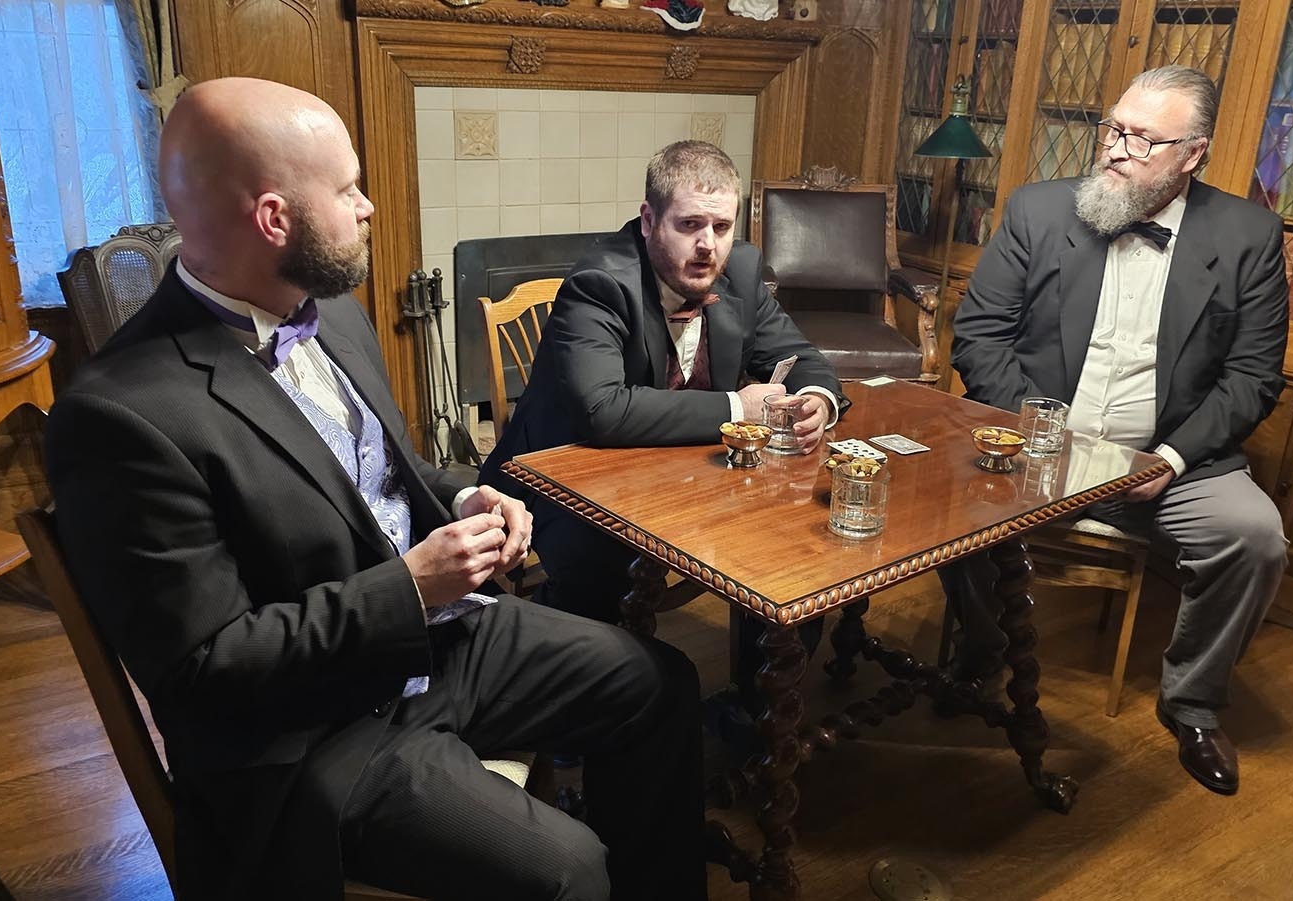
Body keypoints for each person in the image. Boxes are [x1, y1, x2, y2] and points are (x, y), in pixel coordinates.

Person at [45, 77, 706, 901]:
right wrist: (411, 584)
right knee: (570, 872)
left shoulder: (336, 312)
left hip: (443, 643)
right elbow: (205, 671)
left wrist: (464, 497)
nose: (368, 207)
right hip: (319, 733)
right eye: (348, 188)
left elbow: (380, 475)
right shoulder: (117, 416)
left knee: (661, 684)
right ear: (274, 218)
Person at [944, 65, 1289, 796]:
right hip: (1040, 446)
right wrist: (1046, 438)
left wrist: (1171, 455)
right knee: (950, 502)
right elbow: (978, 337)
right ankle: (981, 647)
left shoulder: (1248, 234)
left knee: (1254, 535)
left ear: (1192, 154)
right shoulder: (1039, 210)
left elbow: (1253, 376)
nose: (1115, 149)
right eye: (1113, 128)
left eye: (1142, 138)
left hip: (1169, 461)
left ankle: (1192, 703)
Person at [480, 140, 845, 714]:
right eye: (690, 224)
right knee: (598, 571)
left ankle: (757, 709)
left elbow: (809, 361)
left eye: (721, 226)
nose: (709, 246)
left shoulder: (743, 272)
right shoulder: (600, 281)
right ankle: (580, 715)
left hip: (682, 473)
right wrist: (737, 406)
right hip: (562, 476)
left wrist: (819, 400)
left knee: (785, 551)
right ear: (649, 219)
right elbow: (602, 410)